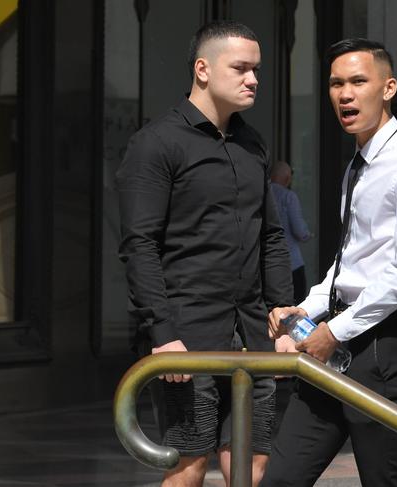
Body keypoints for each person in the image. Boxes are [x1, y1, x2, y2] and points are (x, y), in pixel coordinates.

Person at [261, 38, 397, 487]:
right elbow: (349, 263)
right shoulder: (357, 165)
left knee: (386, 482)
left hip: (380, 347)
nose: (345, 94)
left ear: (388, 88)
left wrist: (333, 332)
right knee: (281, 479)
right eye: (336, 83)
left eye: (358, 81)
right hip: (333, 337)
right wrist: (306, 311)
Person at [117, 21, 293, 487]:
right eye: (240, 68)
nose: (253, 79)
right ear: (202, 69)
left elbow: (271, 236)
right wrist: (163, 333)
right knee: (188, 464)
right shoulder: (156, 144)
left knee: (253, 464)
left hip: (252, 333)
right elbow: (139, 244)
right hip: (186, 335)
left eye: (256, 69)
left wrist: (283, 317)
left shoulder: (253, 144)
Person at [270, 160, 313, 304]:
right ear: (288, 179)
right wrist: (308, 235)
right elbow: (299, 230)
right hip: (291, 262)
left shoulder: (263, 193)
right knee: (296, 307)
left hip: (267, 262)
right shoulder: (288, 196)